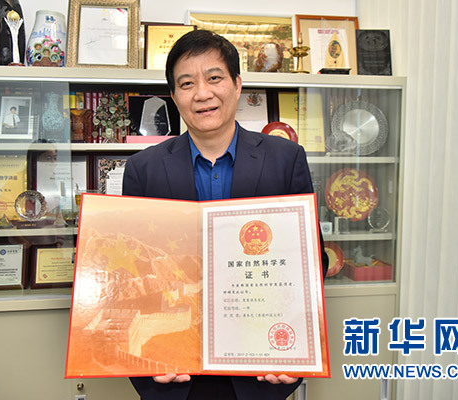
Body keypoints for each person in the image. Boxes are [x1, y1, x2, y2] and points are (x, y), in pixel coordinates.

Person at [122, 29, 328, 400]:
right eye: (187, 83)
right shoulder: (144, 169)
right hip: (173, 369)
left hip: (259, 368)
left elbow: (311, 262)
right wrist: (146, 357)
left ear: (237, 84)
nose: (202, 93)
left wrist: (294, 346)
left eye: (214, 78)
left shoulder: (285, 159)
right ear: (174, 96)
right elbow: (133, 272)